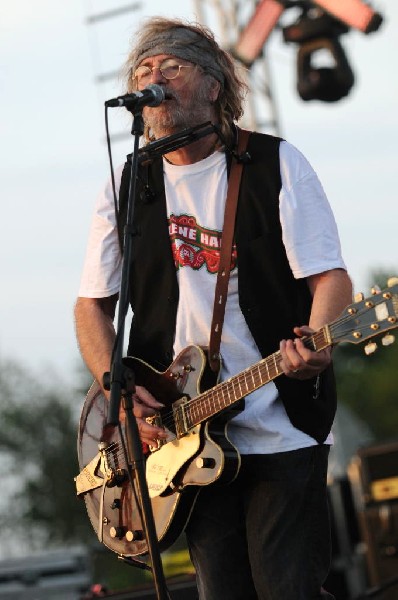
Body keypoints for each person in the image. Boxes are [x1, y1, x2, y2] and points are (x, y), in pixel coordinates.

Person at [75, 16, 352, 600]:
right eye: (145, 69)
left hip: (282, 425)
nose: (155, 77)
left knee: (289, 589)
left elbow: (329, 278)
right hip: (182, 438)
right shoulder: (127, 184)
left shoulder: (276, 164)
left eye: (172, 66)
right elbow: (91, 308)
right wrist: (115, 385)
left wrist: (318, 346)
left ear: (214, 86)